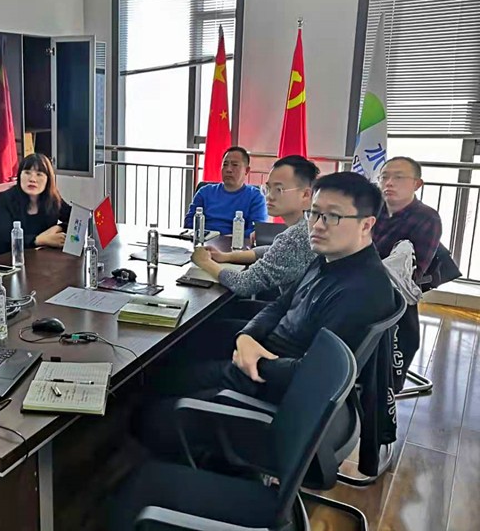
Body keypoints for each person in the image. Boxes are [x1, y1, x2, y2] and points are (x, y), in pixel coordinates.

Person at [142, 172, 396, 462]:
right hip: (264, 358)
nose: (317, 225)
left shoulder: (360, 292)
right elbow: (280, 305)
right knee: (180, 350)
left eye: (332, 217)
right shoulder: (329, 258)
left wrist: (252, 358)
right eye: (314, 213)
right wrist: (247, 337)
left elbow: (311, 375)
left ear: (366, 224)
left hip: (272, 388)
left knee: (149, 414)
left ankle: (213, 465)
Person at [190, 155, 319, 297]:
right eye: (268, 188)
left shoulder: (295, 238)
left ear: (306, 195)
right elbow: (272, 250)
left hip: (293, 311)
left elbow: (243, 284)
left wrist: (205, 262)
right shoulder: (305, 227)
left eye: (279, 189)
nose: (269, 196)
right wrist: (225, 256)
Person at [373, 156, 443, 390]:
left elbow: (412, 272)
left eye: (399, 177)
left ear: (417, 184)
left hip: (393, 291)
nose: (389, 182)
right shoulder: (372, 209)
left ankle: (385, 386)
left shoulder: (427, 218)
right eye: (384, 177)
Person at [183, 146, 268, 236]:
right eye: (225, 164)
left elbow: (255, 231)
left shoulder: (256, 197)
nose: (228, 170)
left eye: (234, 165)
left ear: (246, 170)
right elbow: (189, 222)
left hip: (235, 243)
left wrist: (230, 238)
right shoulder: (205, 192)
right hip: (204, 240)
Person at [0, 153, 72, 251]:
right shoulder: (5, 199)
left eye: (39, 174)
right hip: (13, 256)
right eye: (27, 173)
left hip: (44, 256)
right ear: (19, 176)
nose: (32, 179)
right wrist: (39, 240)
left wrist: (58, 227)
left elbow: (76, 219)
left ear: (48, 179)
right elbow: (5, 238)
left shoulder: (52, 198)